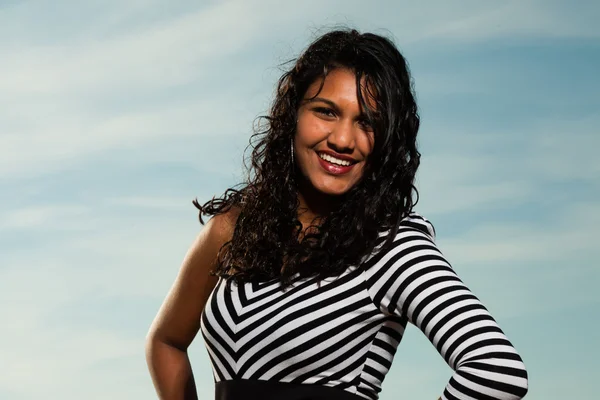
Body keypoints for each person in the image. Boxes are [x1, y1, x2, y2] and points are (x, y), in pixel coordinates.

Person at [145, 29, 529, 400]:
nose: (344, 140)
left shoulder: (392, 245)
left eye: (367, 123)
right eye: (326, 112)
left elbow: (496, 370)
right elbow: (165, 342)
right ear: (292, 114)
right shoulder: (234, 227)